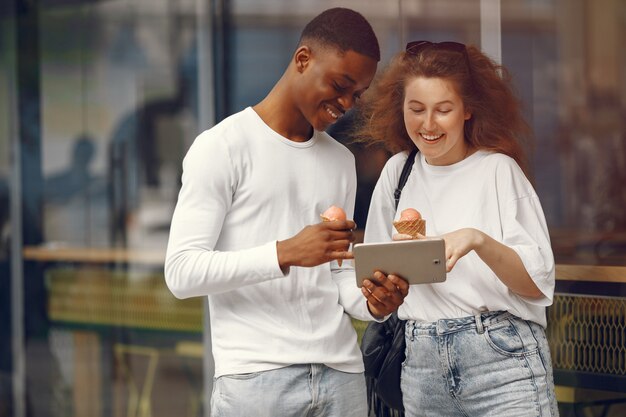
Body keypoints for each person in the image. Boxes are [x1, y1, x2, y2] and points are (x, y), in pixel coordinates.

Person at [164, 8, 409, 417]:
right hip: (255, 381)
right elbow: (182, 272)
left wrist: (373, 303)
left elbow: (337, 272)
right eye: (339, 85)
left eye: (357, 94)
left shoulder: (340, 161)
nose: (346, 104)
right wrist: (284, 252)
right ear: (302, 60)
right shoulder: (222, 147)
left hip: (342, 375)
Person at [355, 41, 559, 416]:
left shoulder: (498, 171)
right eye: (415, 109)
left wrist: (476, 240)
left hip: (501, 361)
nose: (427, 124)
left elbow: (537, 284)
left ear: (467, 110)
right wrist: (380, 296)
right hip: (420, 367)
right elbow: (378, 288)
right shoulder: (397, 173)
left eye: (443, 110)